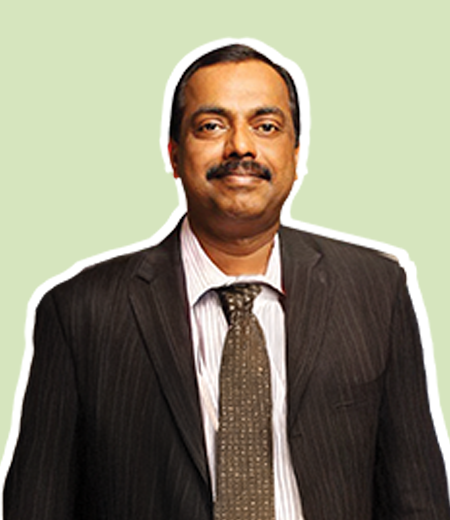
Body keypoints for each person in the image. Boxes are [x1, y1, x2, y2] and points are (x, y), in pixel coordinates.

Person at [3, 42, 450, 520]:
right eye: (212, 126)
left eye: (266, 126)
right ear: (175, 155)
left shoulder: (376, 291)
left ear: (296, 154)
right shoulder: (80, 313)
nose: (240, 146)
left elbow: (417, 501)